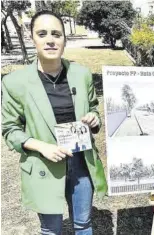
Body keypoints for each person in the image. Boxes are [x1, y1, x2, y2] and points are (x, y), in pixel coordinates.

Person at [2, 10, 107, 235]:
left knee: (84, 225)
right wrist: (42, 147)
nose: (50, 39)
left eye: (56, 34)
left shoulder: (81, 74)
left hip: (81, 162)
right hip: (44, 164)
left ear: (64, 39)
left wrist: (93, 118)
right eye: (42, 34)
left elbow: (92, 107)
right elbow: (10, 130)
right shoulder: (14, 83)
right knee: (51, 230)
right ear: (33, 39)